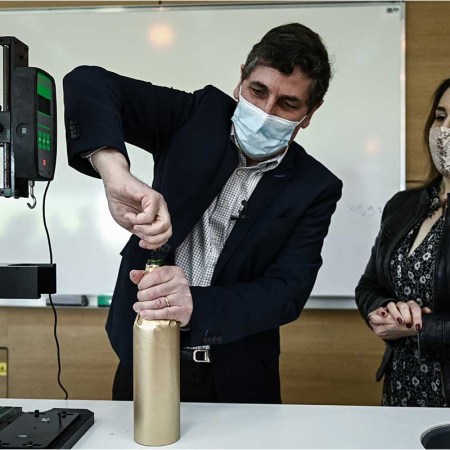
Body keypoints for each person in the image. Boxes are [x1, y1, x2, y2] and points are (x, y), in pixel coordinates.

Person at [63, 23, 342, 404]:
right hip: (142, 355)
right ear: (240, 79)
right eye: (257, 91)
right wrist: (115, 173)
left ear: (310, 113)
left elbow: (287, 292)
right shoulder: (196, 116)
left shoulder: (315, 186)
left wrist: (196, 305)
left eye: (287, 104)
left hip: (238, 377)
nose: (265, 112)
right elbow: (87, 82)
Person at [355, 78, 450, 407]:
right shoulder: (403, 205)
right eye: (440, 116)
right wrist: (381, 314)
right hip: (401, 390)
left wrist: (416, 327)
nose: (445, 129)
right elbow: (368, 285)